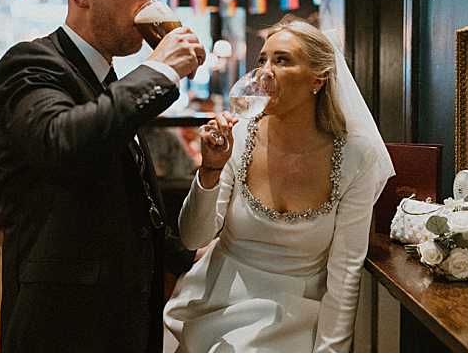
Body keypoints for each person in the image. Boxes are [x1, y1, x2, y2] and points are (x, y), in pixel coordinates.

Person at [0, 0, 206, 353]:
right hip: (64, 311)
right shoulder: (31, 62)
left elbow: (131, 192)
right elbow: (62, 141)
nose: (147, 6)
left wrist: (183, 256)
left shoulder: (108, 77)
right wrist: (160, 70)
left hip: (125, 301)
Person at [164, 18, 393, 352]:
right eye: (262, 60)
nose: (264, 72)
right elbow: (193, 237)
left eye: (282, 60)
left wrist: (329, 352)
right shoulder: (239, 137)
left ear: (318, 78)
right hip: (216, 307)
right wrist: (209, 171)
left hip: (298, 318)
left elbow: (344, 275)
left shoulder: (358, 157)